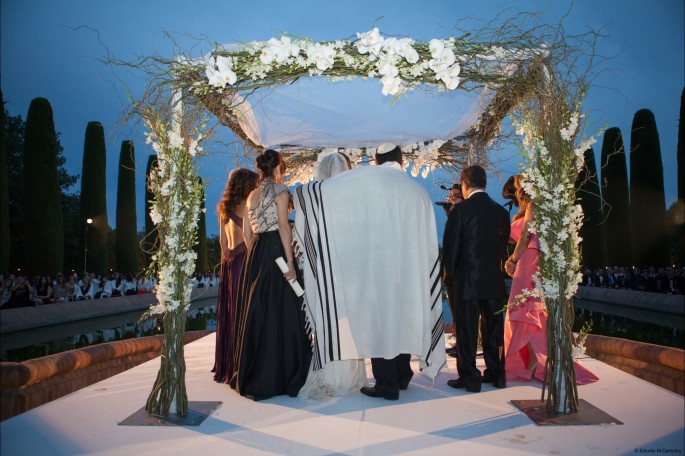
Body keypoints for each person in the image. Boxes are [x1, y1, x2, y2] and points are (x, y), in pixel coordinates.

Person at [294, 143, 444, 401]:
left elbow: (330, 190)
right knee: (402, 316)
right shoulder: (418, 192)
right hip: (408, 271)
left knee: (380, 320)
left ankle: (386, 383)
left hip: (378, 269)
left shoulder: (368, 179)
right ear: (401, 160)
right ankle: (401, 374)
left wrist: (302, 194)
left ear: (376, 159)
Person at [229, 150, 312, 400]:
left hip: (256, 253)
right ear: (277, 167)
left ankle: (256, 370)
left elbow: (246, 233)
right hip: (276, 248)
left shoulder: (251, 195)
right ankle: (282, 372)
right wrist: (289, 261)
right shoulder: (280, 191)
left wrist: (257, 250)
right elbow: (285, 227)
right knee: (283, 308)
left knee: (259, 309)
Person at [503, 175, 598, 385]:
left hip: (529, 259)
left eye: (516, 187)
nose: (515, 192)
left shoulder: (535, 205)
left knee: (525, 311)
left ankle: (537, 361)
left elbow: (527, 235)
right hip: (528, 260)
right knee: (524, 311)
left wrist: (513, 259)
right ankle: (531, 361)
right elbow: (514, 235)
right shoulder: (525, 208)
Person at [297, 152, 368, 400]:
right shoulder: (352, 195)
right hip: (349, 267)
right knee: (350, 319)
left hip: (321, 269)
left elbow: (302, 232)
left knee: (329, 319)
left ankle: (330, 370)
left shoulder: (309, 194)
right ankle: (350, 374)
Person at [442, 165, 510, 393]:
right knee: (494, 330)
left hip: (466, 282)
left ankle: (470, 377)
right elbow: (502, 248)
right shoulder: (501, 212)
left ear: (464, 184)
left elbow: (451, 250)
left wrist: (449, 277)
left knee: (466, 330)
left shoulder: (459, 211)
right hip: (493, 280)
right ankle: (496, 374)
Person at [212, 168, 259, 384]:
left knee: (230, 313)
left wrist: (226, 265)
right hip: (242, 261)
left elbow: (222, 243)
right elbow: (250, 240)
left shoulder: (224, 209)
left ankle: (227, 363)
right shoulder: (247, 206)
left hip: (228, 263)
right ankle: (243, 363)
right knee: (244, 313)